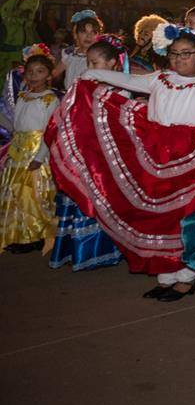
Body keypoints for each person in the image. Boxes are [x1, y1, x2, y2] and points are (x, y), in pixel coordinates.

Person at [51, 26, 195, 300]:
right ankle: (165, 275)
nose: (179, 59)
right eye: (174, 54)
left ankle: (187, 277)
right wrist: (94, 74)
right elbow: (129, 80)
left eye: (186, 54)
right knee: (156, 216)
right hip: (153, 155)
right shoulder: (160, 78)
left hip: (189, 159)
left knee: (183, 217)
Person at [47, 35, 124, 271]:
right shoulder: (82, 87)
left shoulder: (121, 88)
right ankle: (75, 249)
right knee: (78, 197)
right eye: (88, 63)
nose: (89, 68)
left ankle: (100, 251)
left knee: (100, 200)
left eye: (95, 63)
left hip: (104, 156)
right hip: (83, 152)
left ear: (112, 64)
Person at [0, 45, 58, 254]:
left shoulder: (51, 99)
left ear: (49, 76)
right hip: (18, 152)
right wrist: (11, 152)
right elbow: (17, 126)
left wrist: (40, 157)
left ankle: (35, 236)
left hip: (36, 152)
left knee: (32, 195)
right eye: (30, 72)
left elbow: (49, 131)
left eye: (40, 72)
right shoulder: (23, 96)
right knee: (14, 192)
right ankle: (17, 234)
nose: (34, 76)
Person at [54, 10, 103, 89]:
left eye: (93, 32)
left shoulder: (101, 57)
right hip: (69, 98)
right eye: (83, 32)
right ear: (75, 34)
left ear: (99, 36)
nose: (88, 36)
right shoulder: (69, 54)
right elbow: (54, 73)